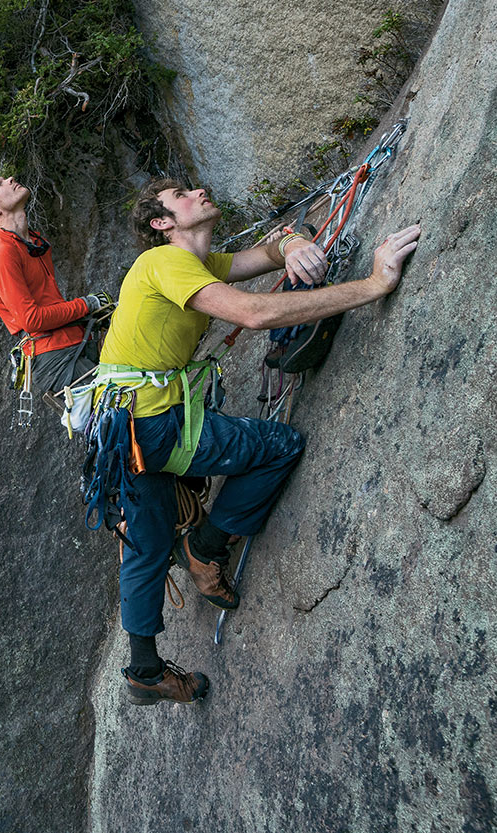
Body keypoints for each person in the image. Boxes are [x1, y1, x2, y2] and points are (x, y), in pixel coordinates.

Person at [104, 178, 421, 705]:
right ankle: (205, 551)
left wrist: (293, 244)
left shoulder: (198, 263)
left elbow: (266, 255)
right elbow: (255, 315)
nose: (198, 191)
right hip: (152, 425)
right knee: (278, 446)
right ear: (162, 223)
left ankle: (143, 668)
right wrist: (374, 285)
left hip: (118, 429)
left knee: (146, 545)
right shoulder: (164, 263)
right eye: (181, 195)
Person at [0, 176, 111, 392]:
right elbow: (32, 320)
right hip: (56, 358)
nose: (9, 179)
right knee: (132, 415)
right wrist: (86, 305)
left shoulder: (31, 242)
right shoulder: (0, 252)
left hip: (74, 342)